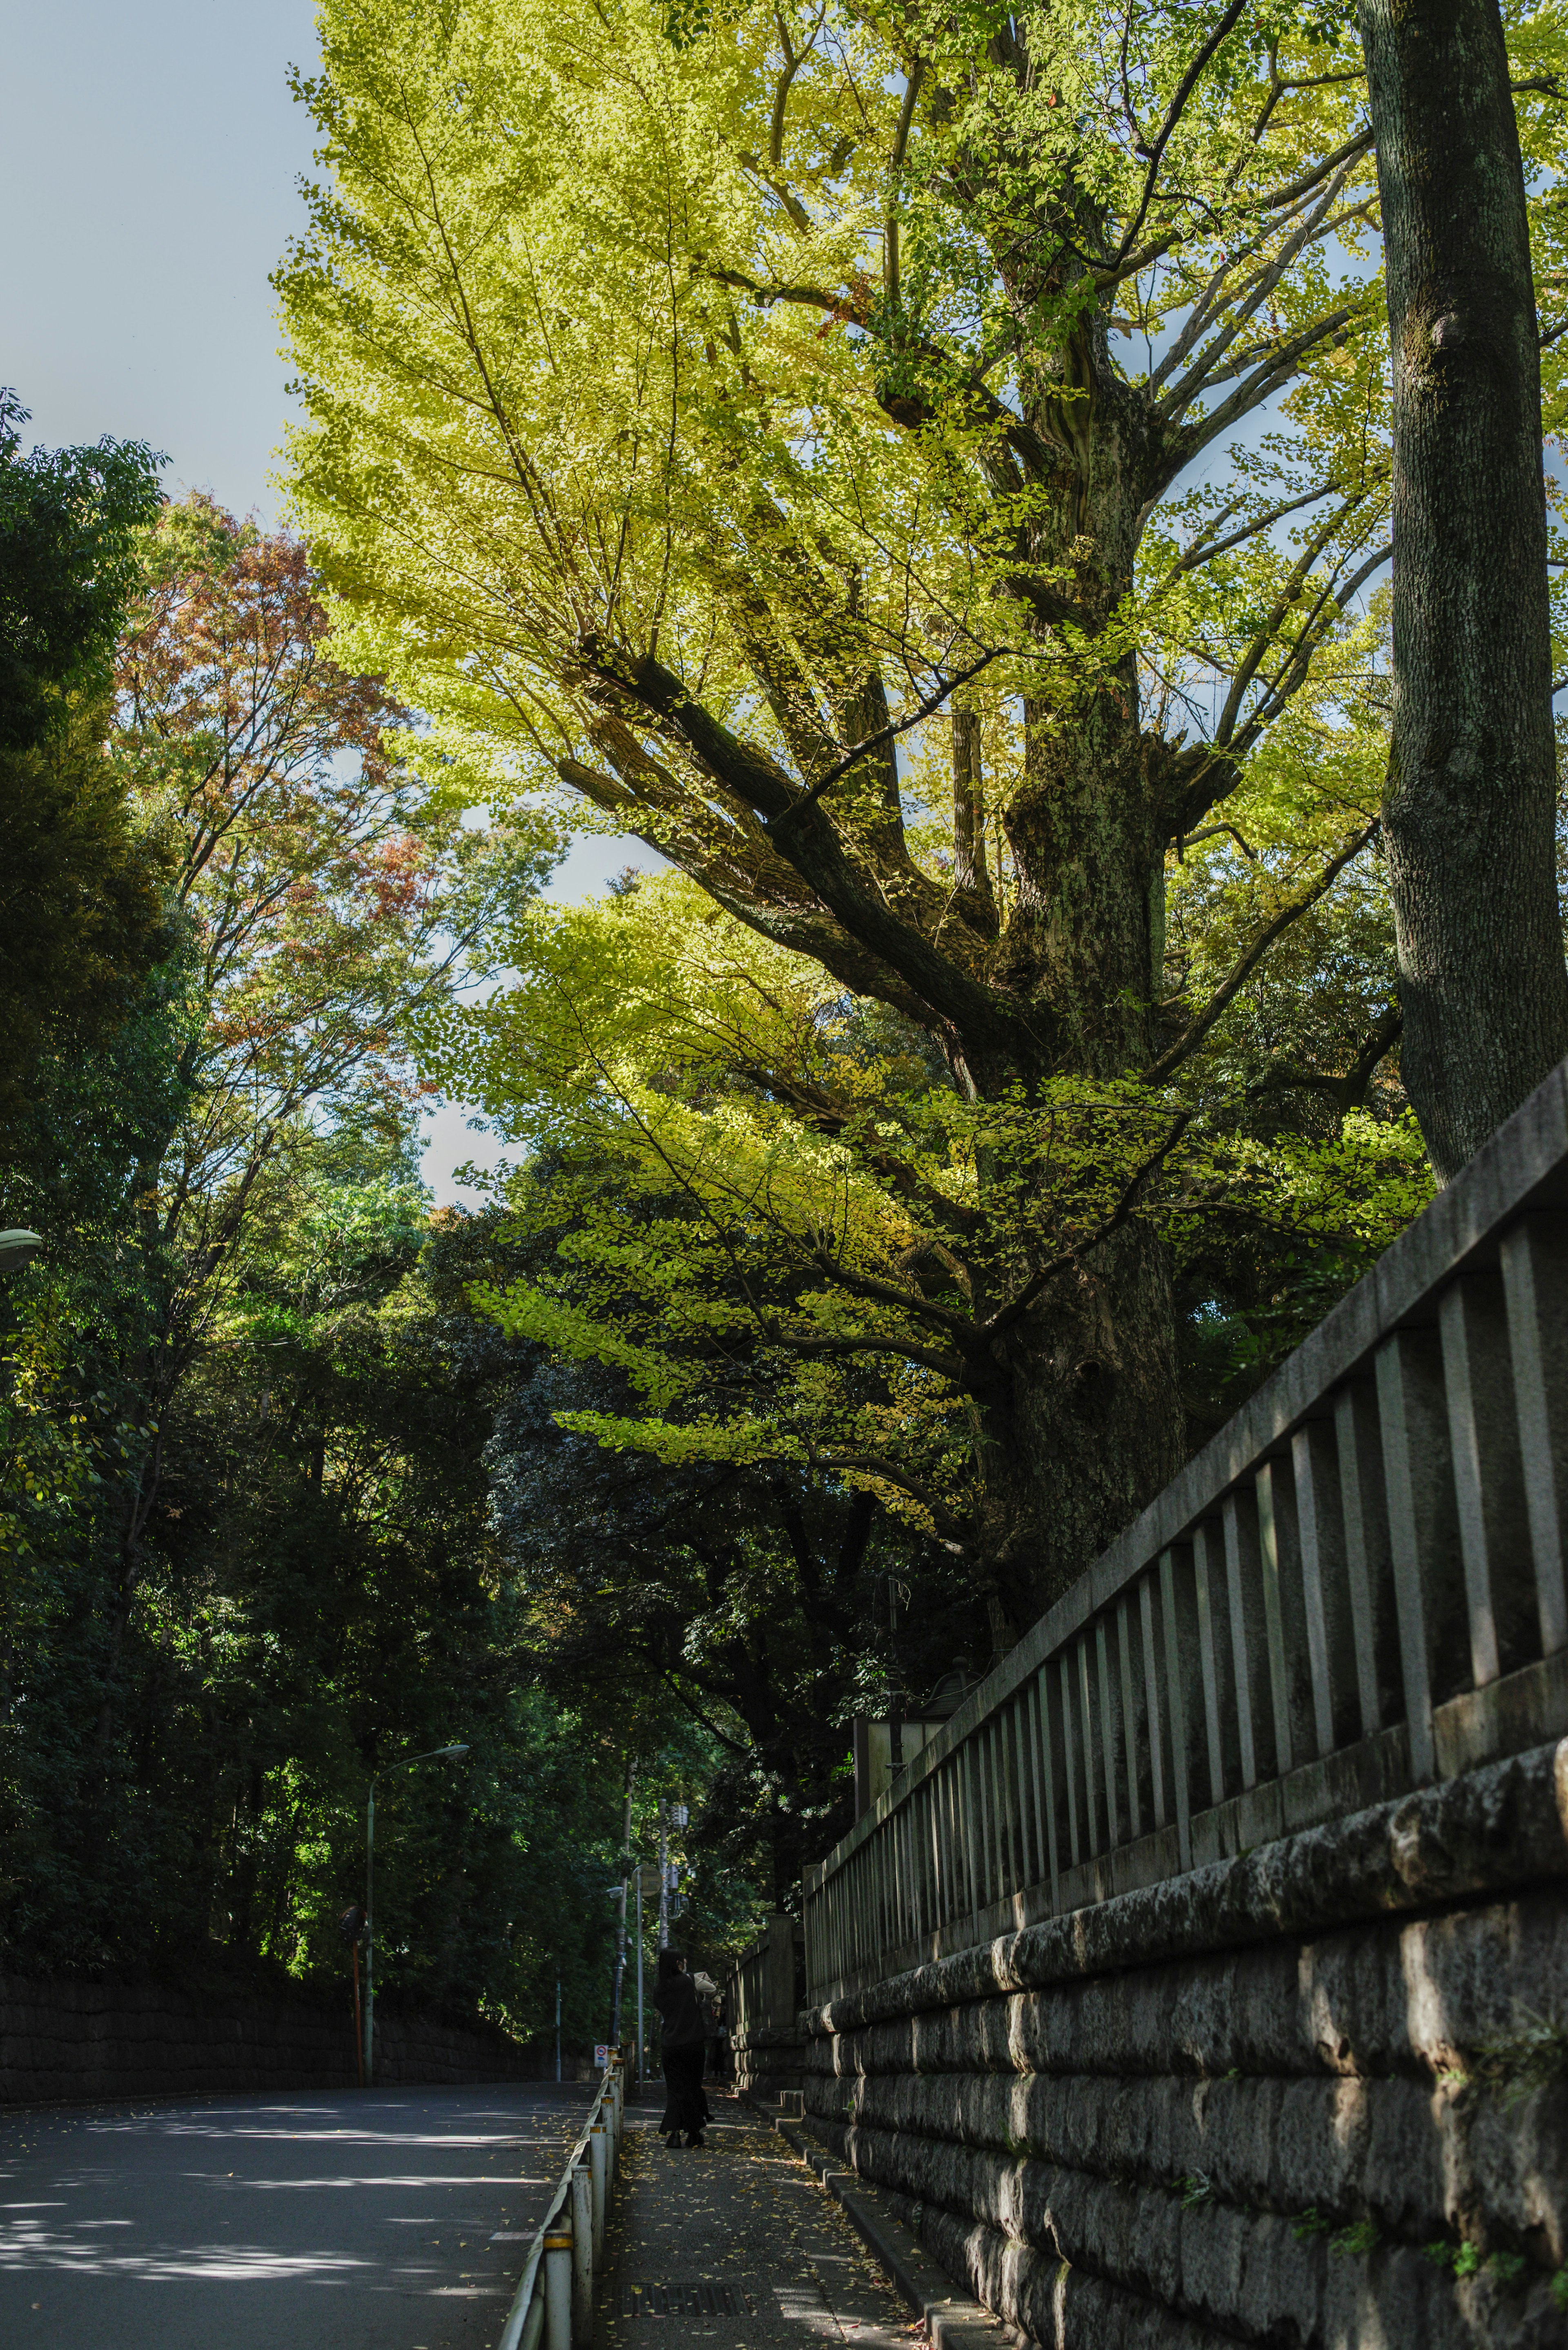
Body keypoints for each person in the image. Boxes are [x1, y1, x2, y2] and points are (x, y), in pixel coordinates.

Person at [652, 1948, 711, 2149]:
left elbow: (662, 2009)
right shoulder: (689, 1981)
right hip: (693, 2043)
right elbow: (712, 1991)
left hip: (670, 2045)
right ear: (678, 1963)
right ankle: (694, 2133)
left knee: (676, 2090)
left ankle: (675, 2134)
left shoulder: (659, 1990)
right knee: (693, 2088)